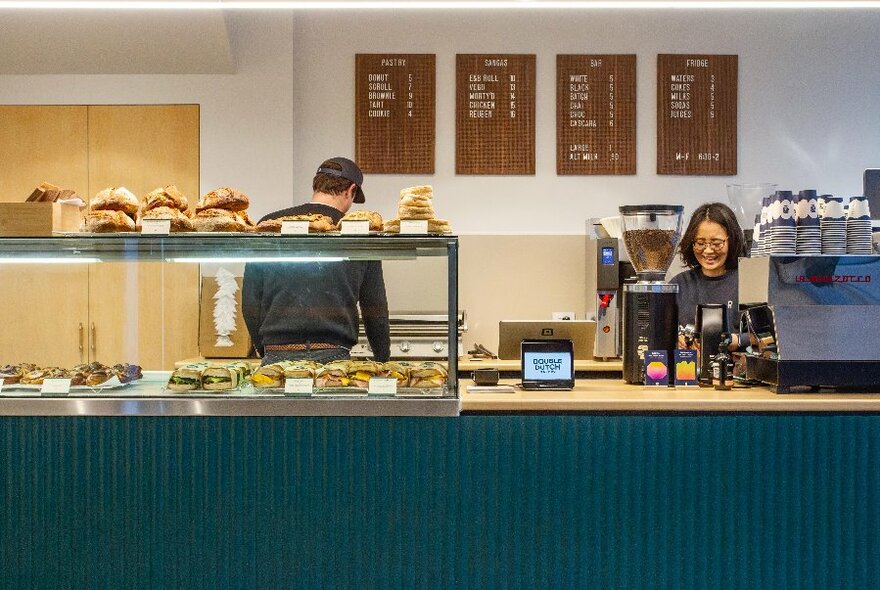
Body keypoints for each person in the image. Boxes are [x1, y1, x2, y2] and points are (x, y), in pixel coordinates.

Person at [242, 157, 391, 365]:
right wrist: (382, 359)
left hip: (277, 354)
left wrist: (264, 349)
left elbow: (250, 301)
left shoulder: (270, 225)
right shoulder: (360, 231)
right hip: (334, 357)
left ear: (317, 184)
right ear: (351, 190)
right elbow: (374, 307)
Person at [670, 202, 747, 351]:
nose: (708, 250)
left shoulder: (748, 282)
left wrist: (737, 340)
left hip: (735, 371)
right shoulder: (679, 285)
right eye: (700, 243)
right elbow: (661, 330)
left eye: (717, 243)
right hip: (686, 369)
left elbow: (769, 336)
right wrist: (676, 339)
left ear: (732, 240)